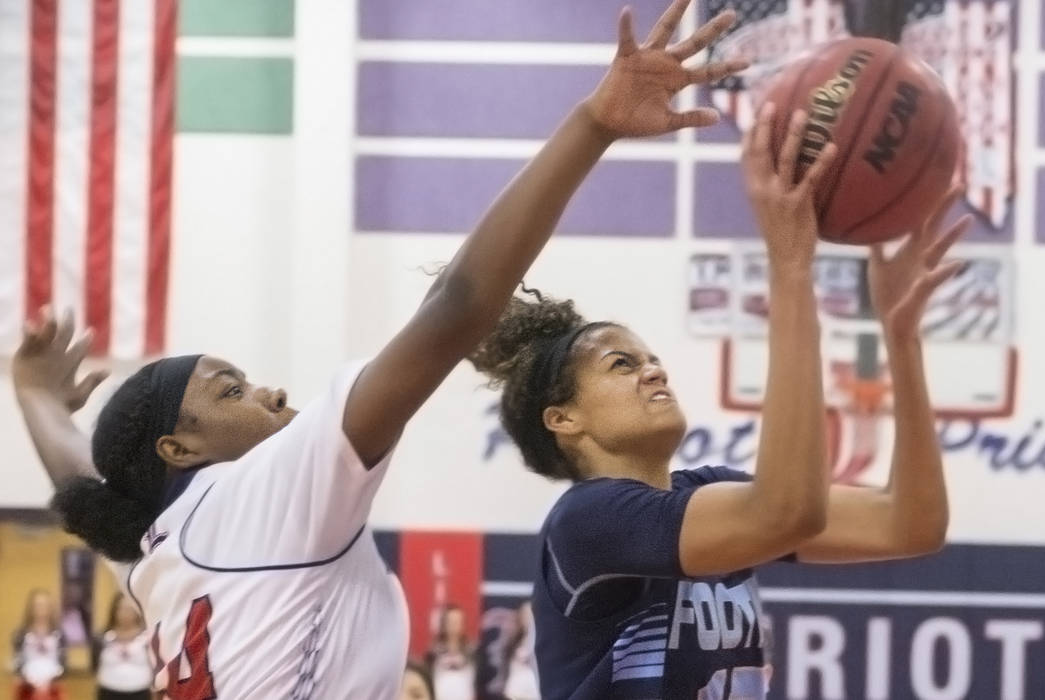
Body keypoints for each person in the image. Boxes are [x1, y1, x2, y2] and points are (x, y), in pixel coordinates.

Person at [10, 3, 746, 697]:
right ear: (177, 449)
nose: (268, 393)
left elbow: (83, 484)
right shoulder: (272, 487)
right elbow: (456, 307)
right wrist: (593, 124)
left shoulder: (156, 551)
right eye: (229, 391)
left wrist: (36, 397)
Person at [467, 98, 968, 698]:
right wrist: (789, 268)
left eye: (651, 358)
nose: (653, 371)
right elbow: (785, 512)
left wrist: (901, 337)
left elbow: (910, 525)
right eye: (621, 364)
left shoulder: (707, 494)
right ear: (563, 419)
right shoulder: (588, 523)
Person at [92, 594, 151, 700]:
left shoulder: (147, 637)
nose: (125, 614)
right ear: (114, 610)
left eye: (129, 609)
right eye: (121, 609)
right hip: (108, 692)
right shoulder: (102, 638)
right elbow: (94, 665)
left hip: (140, 693)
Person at [11, 590, 65, 700]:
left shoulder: (59, 635)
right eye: (37, 605)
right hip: (27, 689)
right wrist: (28, 680)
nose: (41, 609)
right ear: (30, 608)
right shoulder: (21, 635)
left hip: (52, 688)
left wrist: (50, 682)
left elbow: (63, 663)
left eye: (44, 605)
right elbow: (17, 662)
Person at [426, 604, 475, 700]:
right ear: (444, 624)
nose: (454, 625)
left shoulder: (471, 650)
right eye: (451, 621)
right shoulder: (434, 651)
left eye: (457, 621)